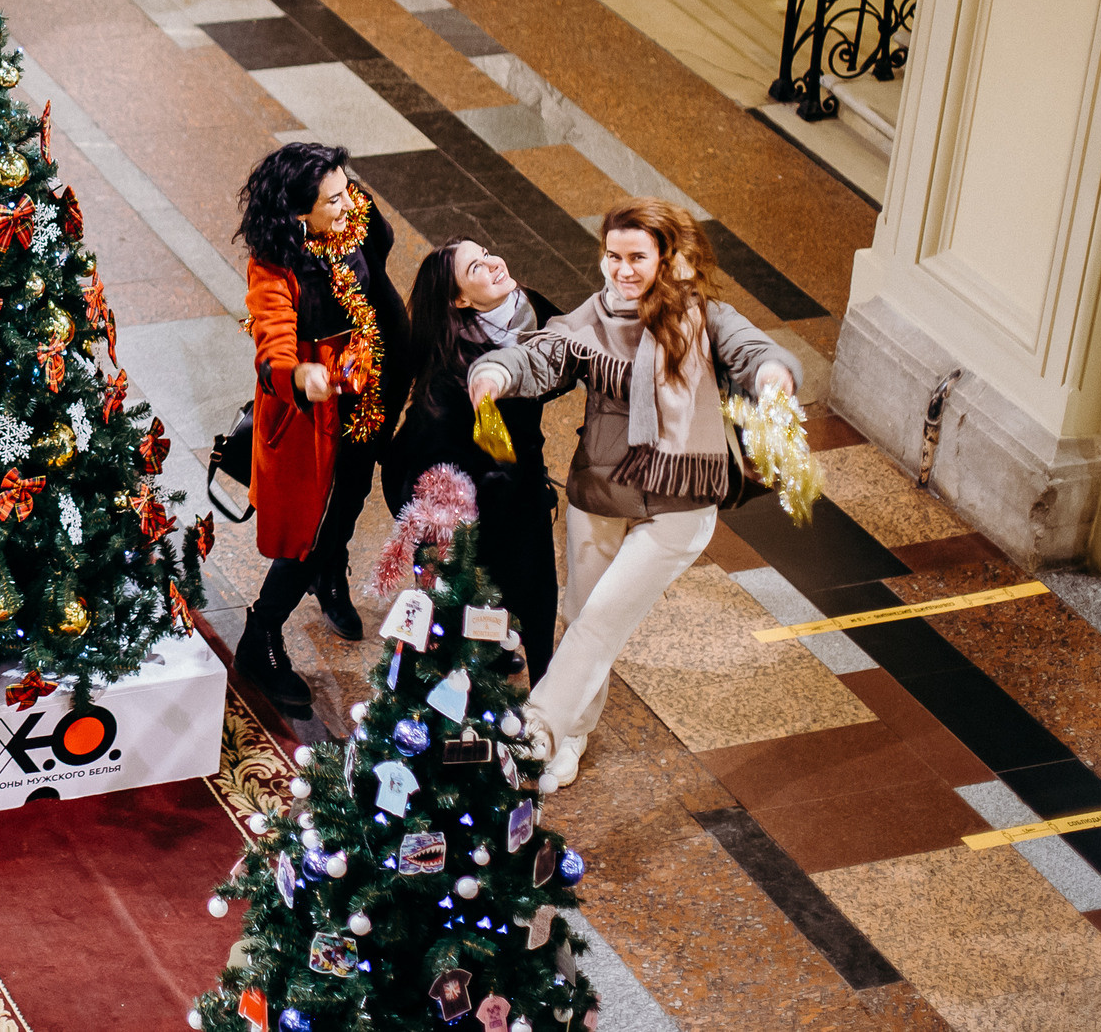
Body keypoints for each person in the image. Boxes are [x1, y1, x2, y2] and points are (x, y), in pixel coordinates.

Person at [466, 199, 798, 787]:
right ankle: (573, 734)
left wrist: (773, 376)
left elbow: (755, 353)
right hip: (600, 490)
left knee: (600, 618)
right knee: (582, 618)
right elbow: (542, 356)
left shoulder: (706, 318)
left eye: (637, 257)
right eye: (613, 255)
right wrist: (495, 373)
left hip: (680, 503)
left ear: (667, 257)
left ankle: (536, 731)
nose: (622, 270)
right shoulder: (592, 318)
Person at [233, 142, 411, 719]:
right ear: (296, 212)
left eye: (345, 188)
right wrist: (299, 374)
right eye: (332, 199)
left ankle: (330, 571)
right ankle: (260, 637)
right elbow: (272, 348)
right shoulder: (274, 263)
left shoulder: (351, 215)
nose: (349, 202)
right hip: (316, 412)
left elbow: (378, 251)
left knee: (352, 495)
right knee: (309, 530)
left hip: (369, 389)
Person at [393, 239, 565, 682]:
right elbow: (420, 455)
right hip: (479, 507)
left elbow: (565, 358)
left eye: (486, 253)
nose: (493, 264)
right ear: (460, 300)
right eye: (476, 268)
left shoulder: (529, 309)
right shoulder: (450, 371)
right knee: (481, 604)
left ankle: (544, 691)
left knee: (537, 600)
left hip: (523, 489)